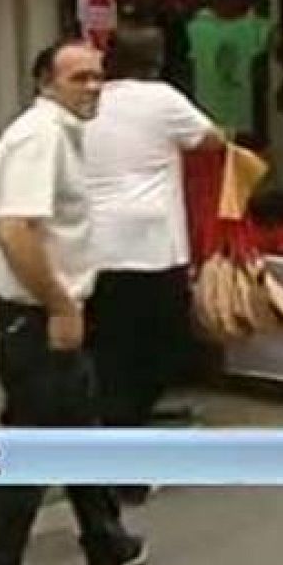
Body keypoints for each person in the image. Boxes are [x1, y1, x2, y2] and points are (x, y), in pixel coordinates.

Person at [0, 39, 147, 565]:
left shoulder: (61, 135)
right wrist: (61, 305)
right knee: (29, 451)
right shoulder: (39, 138)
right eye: (79, 78)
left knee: (77, 427)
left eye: (98, 77)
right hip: (38, 315)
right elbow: (15, 231)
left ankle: (107, 543)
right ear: (47, 83)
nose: (93, 88)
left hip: (50, 309)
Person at [84, 27, 222, 487]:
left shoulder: (90, 100)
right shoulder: (162, 99)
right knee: (157, 354)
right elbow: (210, 140)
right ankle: (127, 464)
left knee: (109, 356)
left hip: (96, 249)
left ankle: (113, 453)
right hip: (152, 249)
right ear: (158, 61)